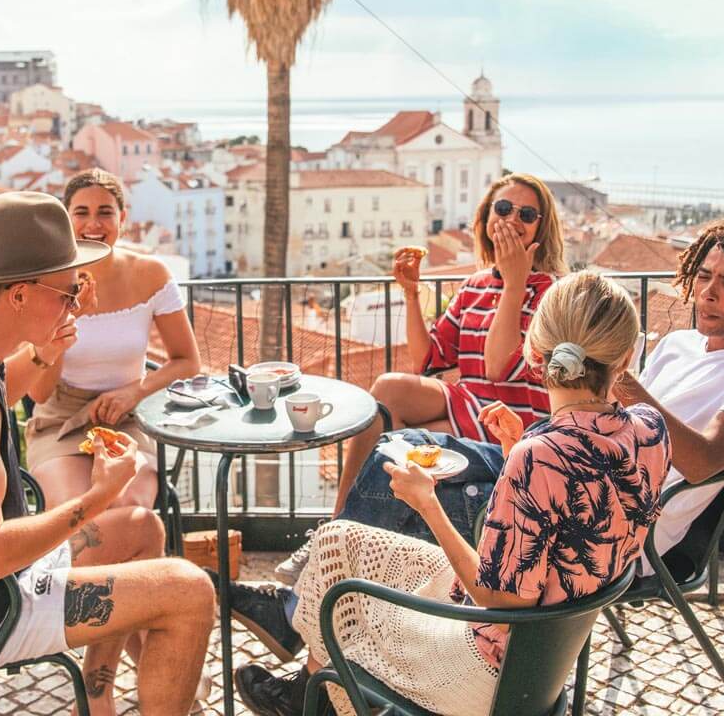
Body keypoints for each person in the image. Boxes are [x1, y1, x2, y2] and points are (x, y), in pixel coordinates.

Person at [228, 216, 724, 684]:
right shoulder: (683, 344)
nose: (707, 293)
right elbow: (611, 422)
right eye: (705, 276)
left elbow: (704, 458)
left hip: (616, 527)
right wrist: (543, 429)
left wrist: (615, 374)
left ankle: (319, 663)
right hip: (563, 464)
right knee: (397, 450)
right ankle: (321, 623)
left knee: (400, 496)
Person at [236, 272, 671, 716]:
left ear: (534, 354)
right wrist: (513, 450)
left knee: (343, 608)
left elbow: (497, 601)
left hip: (494, 671)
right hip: (550, 651)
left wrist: (426, 503)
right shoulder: (651, 430)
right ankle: (306, 692)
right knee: (339, 539)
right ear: (628, 355)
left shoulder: (539, 457)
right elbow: (584, 499)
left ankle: (313, 698)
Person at [0, 192, 214, 716]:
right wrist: (99, 494)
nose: (77, 303)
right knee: (190, 591)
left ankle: (100, 692)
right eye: (67, 291)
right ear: (18, 295)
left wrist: (43, 353)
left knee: (143, 528)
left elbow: (3, 393)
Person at [276, 173, 567, 583]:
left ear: (542, 226)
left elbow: (497, 368)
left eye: (527, 213)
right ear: (486, 218)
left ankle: (336, 549)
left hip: (510, 424)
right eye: (503, 209)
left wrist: (516, 282)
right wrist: (412, 294)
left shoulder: (550, 293)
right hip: (468, 403)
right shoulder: (474, 287)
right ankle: (334, 526)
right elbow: (430, 359)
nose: (513, 219)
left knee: (388, 443)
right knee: (388, 389)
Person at [18, 169, 201, 514]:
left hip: (129, 416)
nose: (93, 224)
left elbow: (187, 361)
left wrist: (135, 392)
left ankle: (125, 569)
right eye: (81, 213)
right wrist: (66, 316)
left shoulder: (151, 273)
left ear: (123, 219)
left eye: (105, 212)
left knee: (129, 508)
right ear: (66, 219)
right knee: (74, 512)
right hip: (60, 419)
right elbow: (39, 393)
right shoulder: (44, 282)